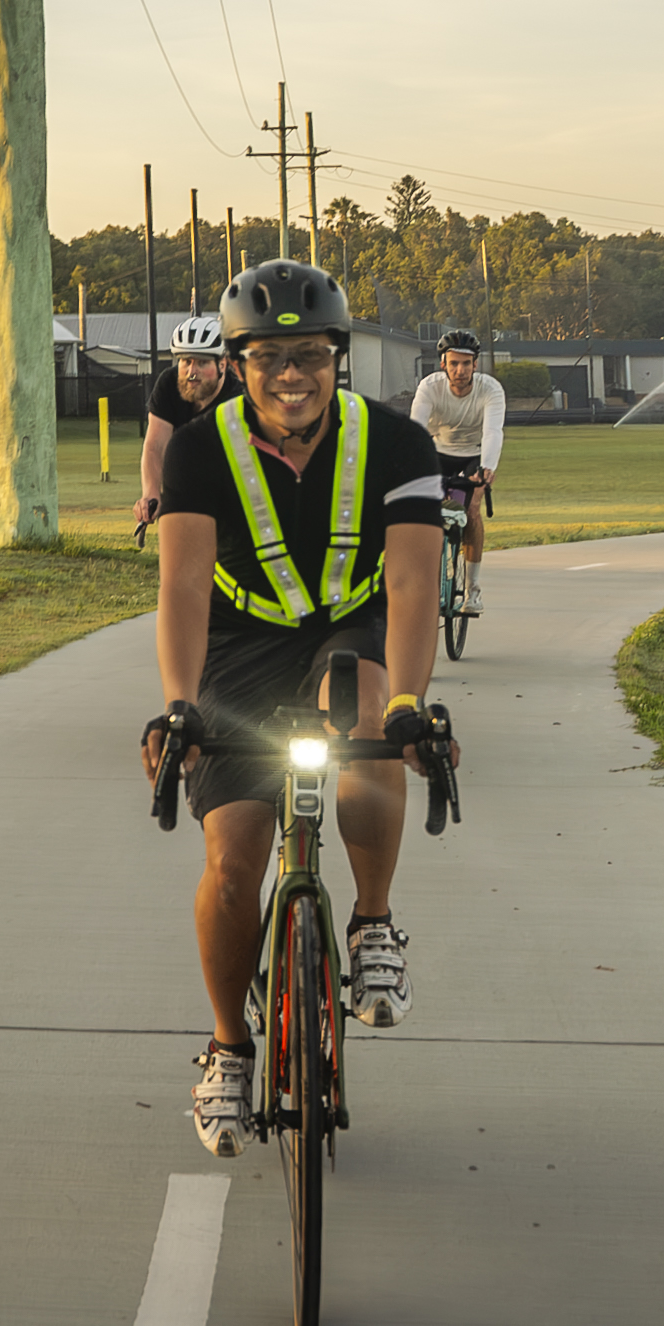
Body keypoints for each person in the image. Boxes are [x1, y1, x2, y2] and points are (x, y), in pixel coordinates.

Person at [139, 259, 452, 1156]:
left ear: (336, 357)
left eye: (309, 354)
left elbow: (412, 584)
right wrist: (177, 706)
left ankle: (372, 921)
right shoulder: (199, 449)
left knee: (368, 716)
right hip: (239, 641)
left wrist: (409, 704)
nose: (290, 374)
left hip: (351, 624)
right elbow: (183, 587)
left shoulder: (397, 442)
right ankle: (228, 1049)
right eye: (268, 357)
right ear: (236, 364)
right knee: (233, 858)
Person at [407, 328, 504, 578]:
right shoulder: (429, 387)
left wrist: (487, 468)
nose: (460, 370)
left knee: (471, 511)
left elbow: (492, 431)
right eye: (453, 363)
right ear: (443, 364)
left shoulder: (490, 389)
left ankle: (473, 587)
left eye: (466, 363)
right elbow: (416, 428)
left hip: (474, 454)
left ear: (475, 365)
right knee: (424, 510)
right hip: (437, 451)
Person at [132, 314, 232, 541]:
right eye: (186, 362)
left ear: (222, 364)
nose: (191, 372)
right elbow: (155, 445)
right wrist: (151, 494)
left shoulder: (237, 398)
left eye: (202, 362)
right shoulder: (169, 384)